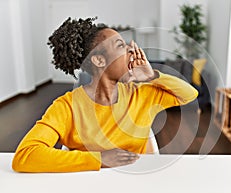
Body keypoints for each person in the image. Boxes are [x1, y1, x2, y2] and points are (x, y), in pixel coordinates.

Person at [12, 17, 198, 173]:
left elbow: (189, 94)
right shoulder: (67, 106)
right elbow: (25, 155)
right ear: (99, 60)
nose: (132, 49)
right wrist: (99, 159)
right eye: (120, 45)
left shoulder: (141, 94)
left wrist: (152, 76)